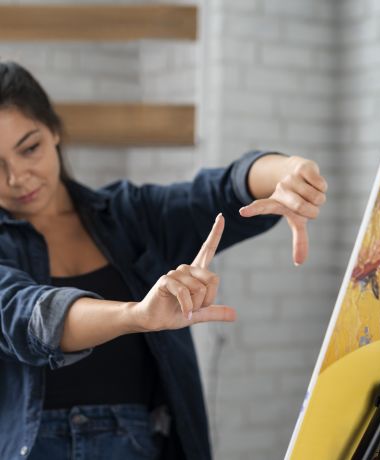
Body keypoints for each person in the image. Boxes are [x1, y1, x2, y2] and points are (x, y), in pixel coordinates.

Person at [0, 61, 327, 460]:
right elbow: (26, 314)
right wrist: (135, 315)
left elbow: (220, 190)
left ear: (53, 130)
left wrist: (288, 171)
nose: (16, 177)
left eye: (29, 148)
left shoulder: (130, 215)